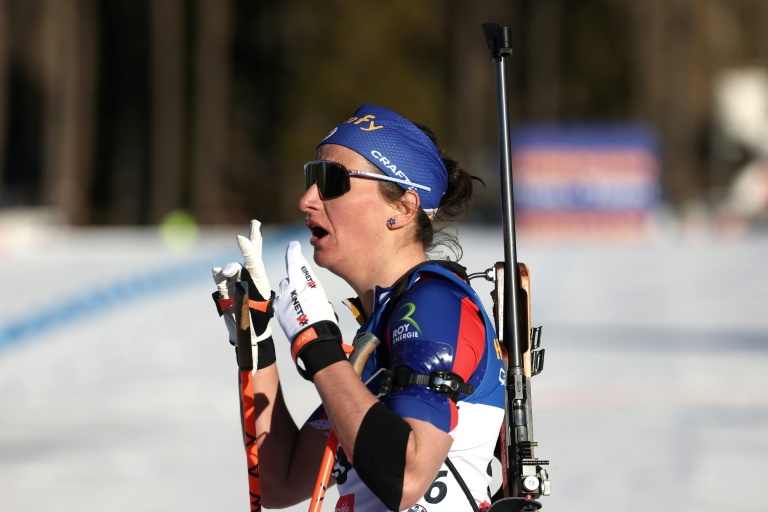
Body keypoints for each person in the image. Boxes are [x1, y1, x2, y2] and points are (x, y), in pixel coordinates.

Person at [212, 104, 505, 512]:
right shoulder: (379, 333)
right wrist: (256, 342)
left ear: (402, 207)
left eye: (330, 180)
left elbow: (407, 477)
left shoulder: (434, 304)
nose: (306, 199)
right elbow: (282, 483)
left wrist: (318, 345)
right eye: (310, 177)